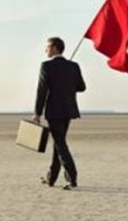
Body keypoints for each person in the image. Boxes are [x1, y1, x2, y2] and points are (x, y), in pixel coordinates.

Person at [32, 37, 86, 190]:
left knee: (60, 144)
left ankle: (72, 178)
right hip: (68, 110)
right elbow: (81, 87)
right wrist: (67, 84)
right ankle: (51, 178)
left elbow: (42, 90)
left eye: (47, 47)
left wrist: (37, 113)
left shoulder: (46, 66)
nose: (46, 50)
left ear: (55, 48)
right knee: (58, 142)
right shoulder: (73, 66)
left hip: (54, 111)